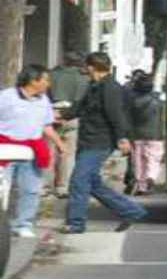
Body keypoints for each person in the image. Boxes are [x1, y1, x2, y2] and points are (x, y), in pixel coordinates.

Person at [59, 53, 148, 234]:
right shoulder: (94, 86)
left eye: (86, 66)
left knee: (79, 180)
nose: (84, 69)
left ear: (91, 67)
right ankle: (131, 211)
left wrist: (122, 138)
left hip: (99, 141)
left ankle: (75, 223)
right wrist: (60, 115)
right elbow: (80, 107)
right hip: (89, 140)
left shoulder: (110, 88)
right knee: (92, 183)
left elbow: (116, 114)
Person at [0, 65, 67, 238]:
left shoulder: (43, 100)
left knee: (30, 190)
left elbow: (46, 126)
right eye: (45, 79)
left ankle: (22, 224)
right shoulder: (6, 97)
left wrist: (59, 143)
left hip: (31, 152)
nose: (48, 83)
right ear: (33, 80)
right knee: (3, 191)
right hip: (5, 150)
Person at [48, 51, 90, 198]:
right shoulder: (85, 78)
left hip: (52, 113)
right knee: (68, 153)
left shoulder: (51, 74)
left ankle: (45, 186)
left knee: (49, 150)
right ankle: (63, 186)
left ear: (64, 60)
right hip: (73, 115)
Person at [128, 74, 164, 195]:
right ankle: (151, 177)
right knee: (153, 158)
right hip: (155, 134)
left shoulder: (132, 101)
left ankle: (140, 185)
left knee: (138, 161)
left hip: (137, 134)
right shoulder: (158, 101)